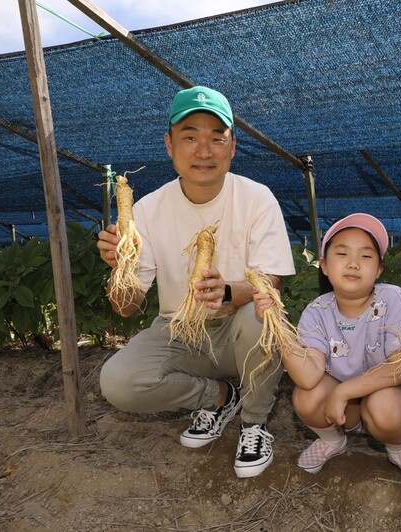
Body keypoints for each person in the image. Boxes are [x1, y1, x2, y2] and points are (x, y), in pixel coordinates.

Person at [96, 86, 295, 479]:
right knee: (118, 381)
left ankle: (254, 423)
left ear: (233, 146)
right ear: (169, 145)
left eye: (216, 138)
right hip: (180, 331)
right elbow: (125, 307)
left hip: (239, 331)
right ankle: (220, 398)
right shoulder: (147, 210)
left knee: (264, 316)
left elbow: (271, 286)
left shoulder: (257, 199)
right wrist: (120, 267)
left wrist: (228, 292)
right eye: (190, 137)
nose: (204, 151)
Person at [252, 213, 401, 480]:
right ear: (325, 266)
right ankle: (333, 441)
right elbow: (307, 376)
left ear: (379, 270)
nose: (353, 263)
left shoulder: (392, 298)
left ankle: (398, 448)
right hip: (345, 409)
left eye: (366, 256)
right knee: (306, 396)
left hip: (392, 396)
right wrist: (277, 322)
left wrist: (343, 392)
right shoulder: (317, 310)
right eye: (342, 254)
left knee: (384, 405)